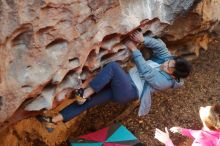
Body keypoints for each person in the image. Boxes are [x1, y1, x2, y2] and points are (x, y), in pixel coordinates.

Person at [37, 29, 192, 131]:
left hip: (129, 91)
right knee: (91, 101)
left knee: (113, 67)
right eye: (170, 61)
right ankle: (53, 120)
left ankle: (84, 93)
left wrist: (134, 49)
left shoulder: (165, 82)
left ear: (173, 75)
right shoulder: (168, 60)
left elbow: (146, 72)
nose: (166, 62)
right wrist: (142, 39)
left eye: (170, 66)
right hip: (124, 83)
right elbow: (161, 47)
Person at [154, 103, 220, 146]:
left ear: (207, 122)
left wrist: (167, 141)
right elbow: (200, 134)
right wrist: (182, 130)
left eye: (204, 110)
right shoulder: (214, 129)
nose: (201, 107)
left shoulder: (200, 144)